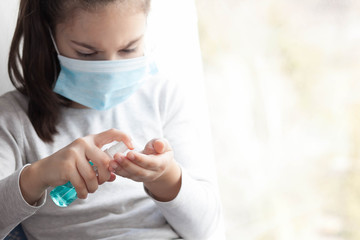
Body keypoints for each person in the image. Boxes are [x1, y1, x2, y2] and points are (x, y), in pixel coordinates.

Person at [0, 0, 223, 239]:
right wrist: (37, 176)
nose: (111, 68)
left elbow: (207, 231)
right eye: (86, 53)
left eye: (129, 49)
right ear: (47, 35)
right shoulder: (13, 117)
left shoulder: (164, 97)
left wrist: (165, 178)